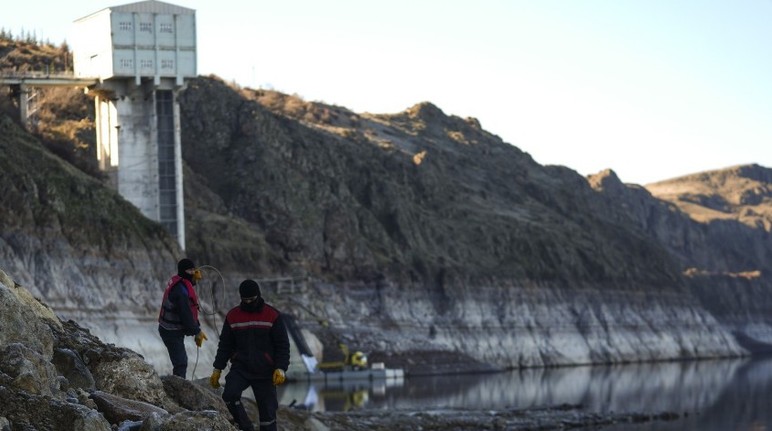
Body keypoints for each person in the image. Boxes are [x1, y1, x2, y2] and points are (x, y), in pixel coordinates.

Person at [209, 279, 290, 431]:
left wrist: (281, 368)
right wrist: (217, 368)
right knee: (229, 396)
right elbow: (225, 345)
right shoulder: (233, 316)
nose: (248, 303)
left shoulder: (272, 315)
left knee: (268, 417)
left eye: (251, 300)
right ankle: (246, 428)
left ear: (258, 296)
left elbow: (282, 345)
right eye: (245, 300)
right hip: (241, 368)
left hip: (266, 370)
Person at [158, 258, 207, 378]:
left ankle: (177, 384)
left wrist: (197, 328)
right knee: (181, 363)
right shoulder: (180, 291)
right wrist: (197, 331)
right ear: (183, 271)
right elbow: (185, 314)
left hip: (170, 329)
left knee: (180, 361)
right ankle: (178, 390)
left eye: (194, 269)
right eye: (190, 270)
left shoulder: (181, 283)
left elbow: (190, 310)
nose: (193, 272)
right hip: (171, 331)